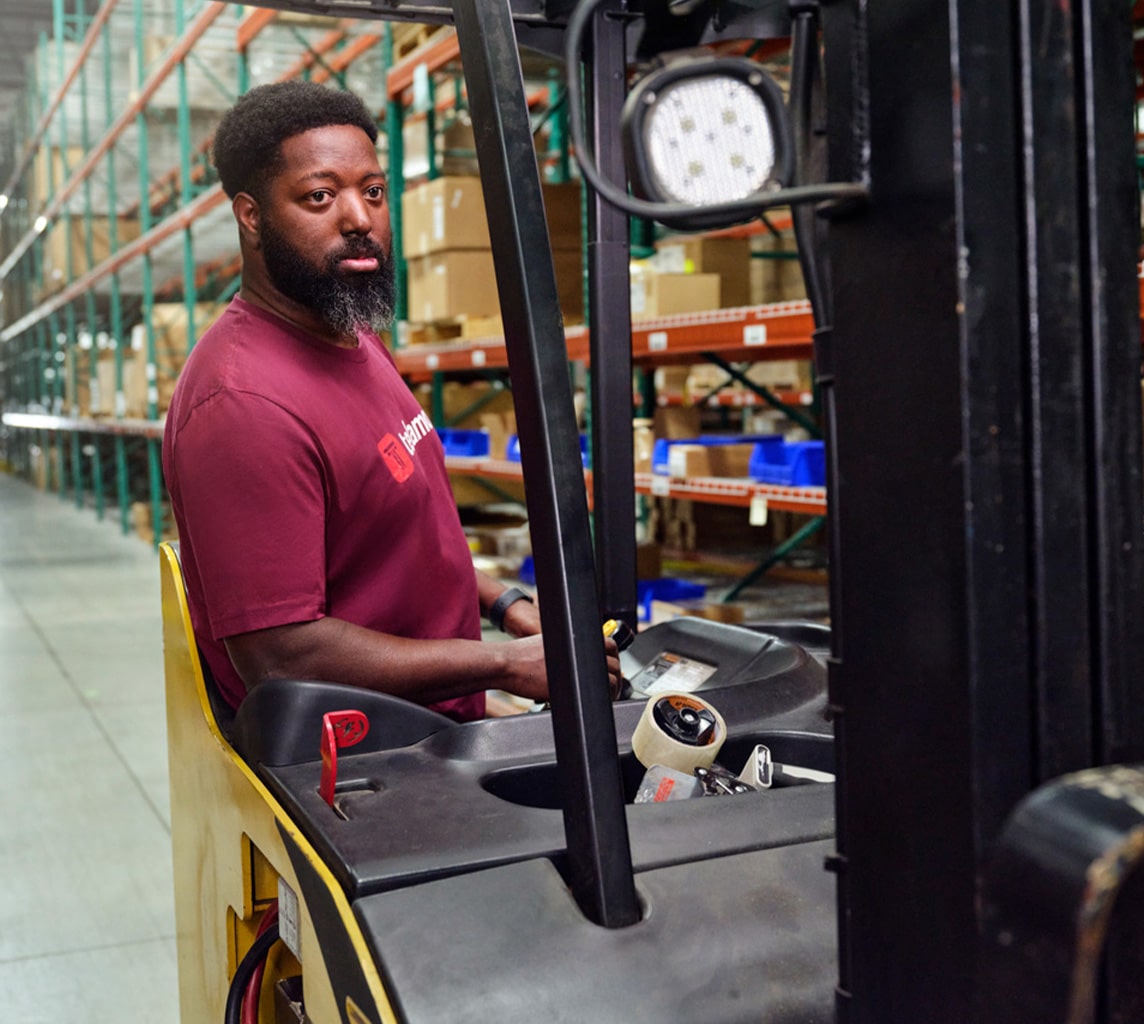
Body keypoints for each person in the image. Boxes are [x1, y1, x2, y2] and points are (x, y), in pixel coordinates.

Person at [162, 80, 620, 721]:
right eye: (319, 197)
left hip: (434, 716)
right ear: (252, 215)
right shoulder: (242, 406)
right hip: (357, 763)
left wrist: (503, 603)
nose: (358, 219)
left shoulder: (350, 335)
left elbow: (391, 540)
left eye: (372, 192)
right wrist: (502, 664)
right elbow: (281, 658)